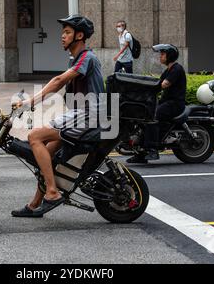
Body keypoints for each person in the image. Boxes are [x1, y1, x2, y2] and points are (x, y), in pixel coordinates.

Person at [11, 14, 105, 218]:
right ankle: (35, 204)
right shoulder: (77, 58)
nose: (62, 36)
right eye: (63, 32)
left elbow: (59, 81)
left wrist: (30, 103)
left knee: (35, 137)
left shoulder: (87, 58)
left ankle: (52, 193)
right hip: (81, 113)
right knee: (47, 156)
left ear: (79, 35)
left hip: (90, 114)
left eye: (68, 32)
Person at [127, 44, 187, 164]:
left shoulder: (176, 69)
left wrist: (153, 85)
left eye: (163, 54)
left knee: (152, 116)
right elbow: (156, 86)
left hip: (175, 104)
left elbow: (164, 84)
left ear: (170, 56)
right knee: (143, 115)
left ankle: (152, 149)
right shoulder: (167, 70)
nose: (160, 56)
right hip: (166, 103)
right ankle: (141, 153)